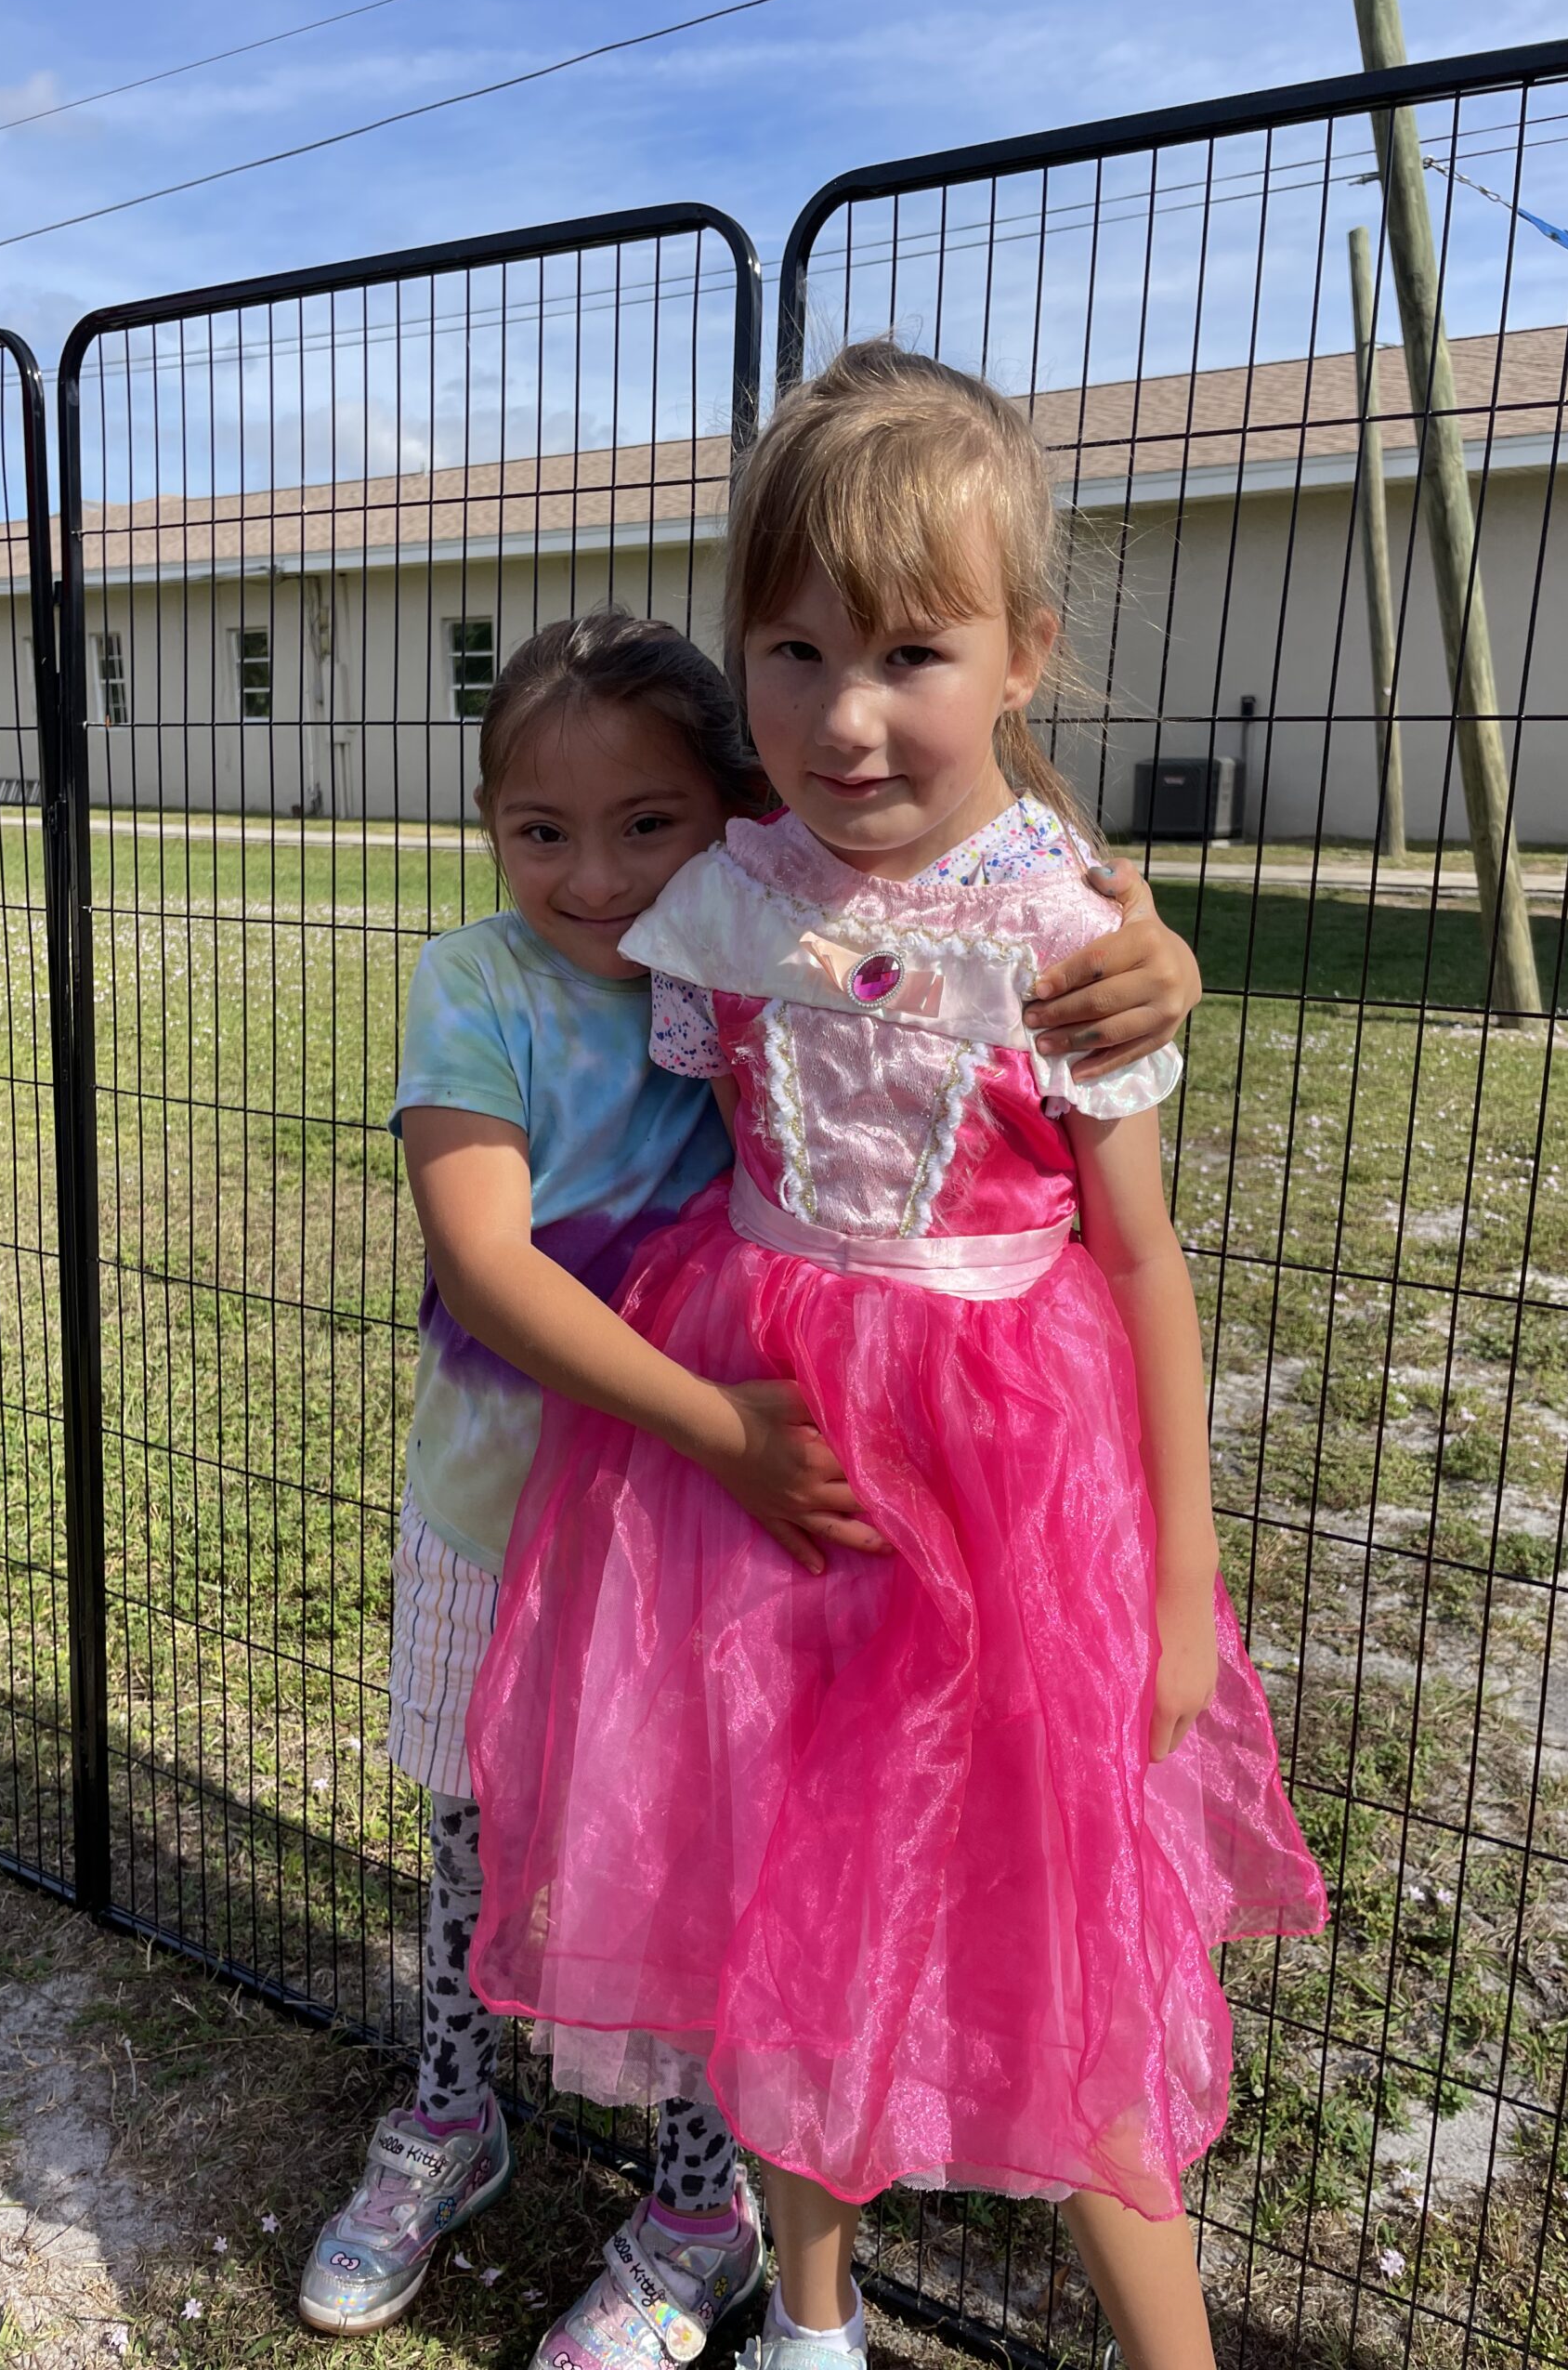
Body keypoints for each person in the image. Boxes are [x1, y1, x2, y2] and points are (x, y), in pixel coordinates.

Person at [467, 347, 1327, 2370]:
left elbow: (1144, 1258)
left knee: (1060, 1924)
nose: (847, 715)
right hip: (750, 1451)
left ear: (1024, 653)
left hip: (1008, 1483)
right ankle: (810, 2319)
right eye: (793, 650)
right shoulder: (718, 888)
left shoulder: (1064, 931)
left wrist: (1184, 1587)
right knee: (788, 1895)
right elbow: (564, 856)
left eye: (912, 653)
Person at [297, 605, 1202, 2341]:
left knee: (726, 1871)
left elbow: (952, 902)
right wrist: (722, 1426)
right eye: (542, 831)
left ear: (723, 816)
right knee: (486, 1840)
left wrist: (1144, 938)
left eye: (649, 824)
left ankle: (700, 2215)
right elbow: (489, 1258)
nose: (599, 877)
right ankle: (450, 2110)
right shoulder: (522, 976)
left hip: (716, 1536)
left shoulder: (743, 936)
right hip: (527, 1508)